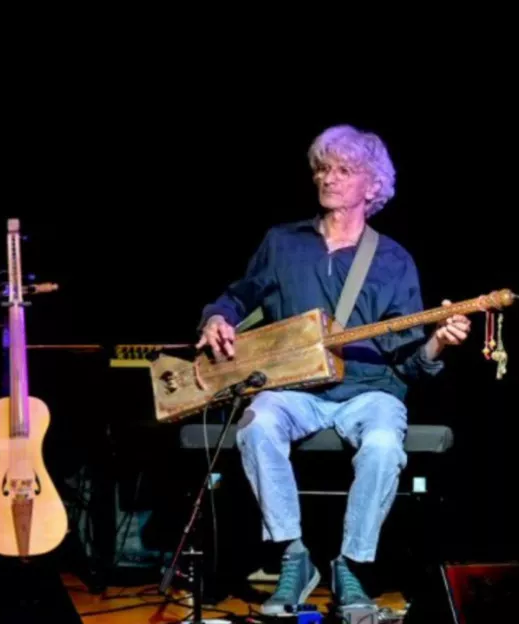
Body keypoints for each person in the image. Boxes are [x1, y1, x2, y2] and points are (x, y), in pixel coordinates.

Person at [194, 124, 470, 616]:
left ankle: (352, 564)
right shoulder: (282, 243)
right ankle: (293, 555)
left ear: (373, 186)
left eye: (344, 170)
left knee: (385, 445)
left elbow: (410, 361)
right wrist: (218, 318)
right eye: (323, 168)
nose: (329, 178)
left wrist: (436, 343)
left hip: (370, 391)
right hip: (295, 388)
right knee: (256, 424)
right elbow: (238, 296)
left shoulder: (393, 260)